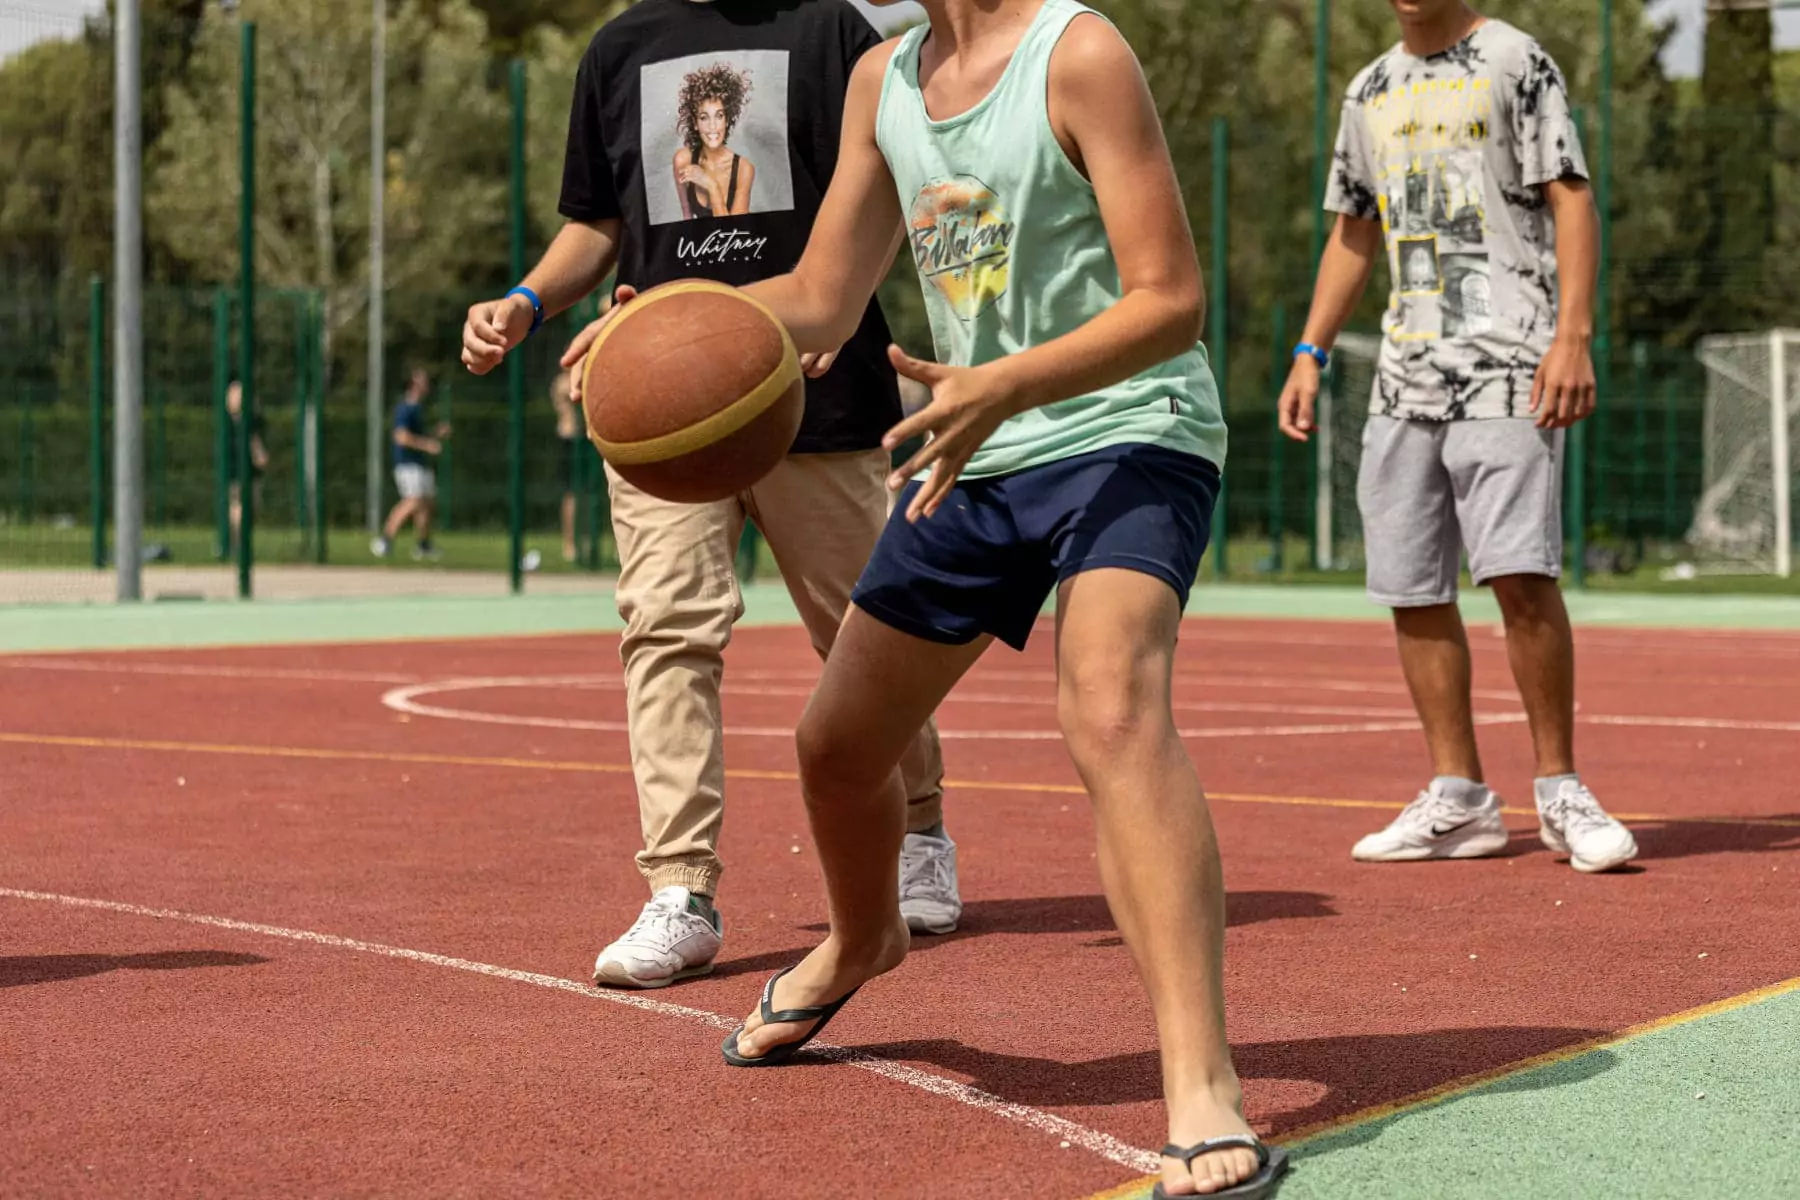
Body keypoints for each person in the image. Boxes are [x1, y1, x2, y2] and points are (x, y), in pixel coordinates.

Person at [572, 1, 1283, 1194]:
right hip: (976, 448)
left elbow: (1170, 301)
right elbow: (821, 298)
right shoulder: (882, 82)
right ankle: (864, 938)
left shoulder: (1080, 53)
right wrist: (671, 328)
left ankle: (1203, 1083)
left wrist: (1000, 382)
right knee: (839, 750)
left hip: (1126, 433)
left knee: (1108, 711)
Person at [459, 0, 960, 993]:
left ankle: (919, 828)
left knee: (868, 632)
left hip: (815, 391)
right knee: (666, 627)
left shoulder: (834, 34)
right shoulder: (621, 47)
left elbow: (900, 193)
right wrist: (522, 302)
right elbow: (596, 226)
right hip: (662, 408)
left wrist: (844, 302)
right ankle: (680, 890)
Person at [1278, 0, 1637, 873]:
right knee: (1411, 581)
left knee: (1519, 572)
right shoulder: (1369, 89)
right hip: (1405, 377)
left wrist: (1572, 336)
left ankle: (1559, 789)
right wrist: (1309, 350)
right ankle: (1461, 797)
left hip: (1511, 362)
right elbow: (1353, 232)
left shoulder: (1515, 60)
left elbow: (1573, 200)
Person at [372, 367, 450, 562]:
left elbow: (418, 437)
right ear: (414, 384)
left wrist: (435, 434)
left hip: (419, 463)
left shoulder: (419, 408)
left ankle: (423, 546)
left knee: (426, 504)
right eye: (422, 381)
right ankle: (384, 540)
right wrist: (427, 445)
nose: (427, 385)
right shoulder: (405, 408)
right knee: (412, 500)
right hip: (407, 464)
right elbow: (401, 437)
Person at [674, 62, 758, 219]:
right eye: (704, 117)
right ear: (695, 124)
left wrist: (711, 186)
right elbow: (686, 218)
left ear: (727, 120)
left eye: (719, 116)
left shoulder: (744, 169)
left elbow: (735, 231)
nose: (712, 126)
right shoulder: (682, 160)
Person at [224, 379, 268, 556]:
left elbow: (254, 440)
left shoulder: (251, 421)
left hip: (250, 472)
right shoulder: (229, 423)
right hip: (236, 471)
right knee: (238, 505)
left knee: (253, 506)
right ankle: (237, 544)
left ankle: (240, 542)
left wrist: (259, 454)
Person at [552, 372, 582, 563]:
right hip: (568, 439)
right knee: (570, 494)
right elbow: (571, 393)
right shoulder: (562, 381)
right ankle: (569, 544)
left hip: (586, 440)